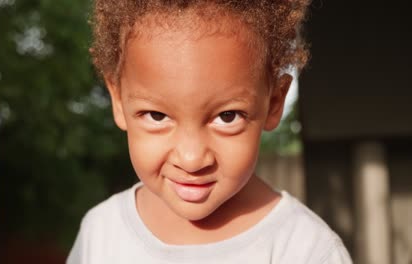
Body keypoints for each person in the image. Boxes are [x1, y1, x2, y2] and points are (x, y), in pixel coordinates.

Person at [67, 1, 352, 263]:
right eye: (157, 115)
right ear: (118, 101)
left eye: (227, 117)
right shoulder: (101, 235)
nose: (191, 159)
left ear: (274, 102)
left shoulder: (306, 250)